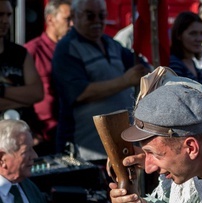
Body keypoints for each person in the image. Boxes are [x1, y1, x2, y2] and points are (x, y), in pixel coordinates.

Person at [51, 0, 147, 160]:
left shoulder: (111, 44)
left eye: (102, 15)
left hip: (119, 145)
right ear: (74, 16)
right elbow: (79, 92)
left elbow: (140, 66)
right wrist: (125, 81)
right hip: (86, 150)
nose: (97, 20)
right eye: (90, 16)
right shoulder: (67, 48)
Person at [24, 0, 73, 156]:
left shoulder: (75, 51)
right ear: (50, 19)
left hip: (73, 135)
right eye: (67, 19)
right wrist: (30, 131)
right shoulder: (31, 52)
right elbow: (23, 97)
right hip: (44, 139)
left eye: (75, 19)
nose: (72, 24)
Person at [0, 0, 43, 124]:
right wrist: (23, 100)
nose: (5, 21)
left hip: (22, 132)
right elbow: (31, 97)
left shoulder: (20, 53)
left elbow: (37, 93)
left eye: (8, 15)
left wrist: (2, 91)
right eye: (0, 15)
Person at [168, 12, 202, 85]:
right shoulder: (174, 64)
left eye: (201, 33)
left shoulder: (192, 62)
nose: (199, 39)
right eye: (193, 33)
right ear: (179, 35)